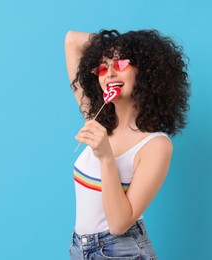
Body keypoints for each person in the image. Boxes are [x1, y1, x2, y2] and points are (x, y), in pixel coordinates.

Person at [65, 29, 190, 260]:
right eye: (102, 67)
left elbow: (119, 223)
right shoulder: (96, 118)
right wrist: (116, 47)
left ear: (145, 72)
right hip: (79, 249)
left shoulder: (155, 145)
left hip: (122, 252)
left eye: (121, 64)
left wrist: (106, 156)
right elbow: (72, 40)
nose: (110, 72)